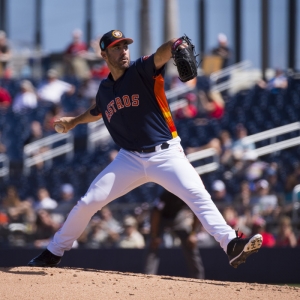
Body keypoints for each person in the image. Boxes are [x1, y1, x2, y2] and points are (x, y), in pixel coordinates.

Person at [28, 29, 262, 268]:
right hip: (129, 159)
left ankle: (231, 244)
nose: (123, 51)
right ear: (104, 54)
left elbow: (161, 54)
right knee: (88, 202)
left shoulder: (141, 70)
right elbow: (97, 110)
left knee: (198, 196)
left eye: (125, 46)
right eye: (116, 48)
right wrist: (74, 121)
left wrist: (174, 44)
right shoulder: (105, 90)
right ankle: (53, 252)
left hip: (166, 154)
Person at [144, 189, 205, 279]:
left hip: (177, 217)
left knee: (190, 243)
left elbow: (197, 212)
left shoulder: (188, 194)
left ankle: (199, 278)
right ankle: (148, 276)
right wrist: (154, 235)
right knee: (153, 243)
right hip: (161, 218)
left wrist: (193, 234)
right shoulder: (166, 194)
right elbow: (156, 213)